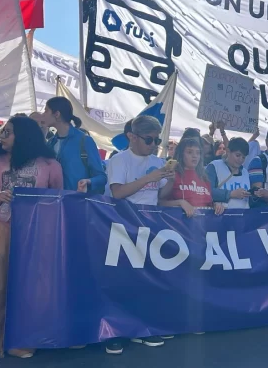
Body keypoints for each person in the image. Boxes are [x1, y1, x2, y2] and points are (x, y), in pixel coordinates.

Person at [0, 116, 62, 366]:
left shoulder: (50, 163)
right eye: (2, 131)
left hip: (35, 233)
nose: (1, 136)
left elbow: (57, 200)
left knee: (28, 287)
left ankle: (22, 341)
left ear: (23, 134)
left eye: (7, 132)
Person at [108, 115, 173, 352]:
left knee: (145, 279)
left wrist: (168, 181)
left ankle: (141, 328)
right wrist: (151, 177)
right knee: (122, 281)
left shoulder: (157, 161)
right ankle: (115, 332)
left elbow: (160, 197)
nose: (153, 145)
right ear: (132, 137)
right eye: (149, 140)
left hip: (150, 224)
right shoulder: (119, 160)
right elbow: (117, 193)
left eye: (157, 140)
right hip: (123, 224)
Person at [44, 97, 107, 194]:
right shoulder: (50, 143)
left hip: (78, 203)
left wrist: (88, 182)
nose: (43, 115)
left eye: (46, 111)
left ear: (57, 114)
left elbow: (102, 177)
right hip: (54, 203)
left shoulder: (85, 141)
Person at [159, 137, 224, 216]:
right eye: (190, 152)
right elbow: (160, 202)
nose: (195, 156)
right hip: (179, 224)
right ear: (181, 154)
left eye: (198, 153)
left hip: (203, 224)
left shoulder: (204, 177)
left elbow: (207, 203)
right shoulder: (173, 174)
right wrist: (180, 202)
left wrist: (216, 205)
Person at [206, 137, 252, 209]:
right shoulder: (214, 166)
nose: (240, 160)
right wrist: (230, 194)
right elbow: (206, 191)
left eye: (243, 157)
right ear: (228, 151)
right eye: (237, 155)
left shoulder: (245, 172)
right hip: (220, 217)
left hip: (242, 217)